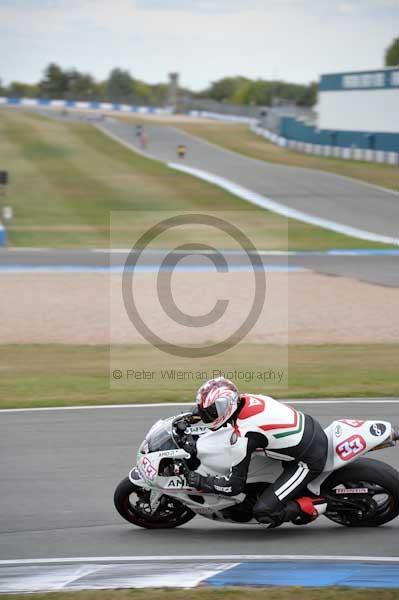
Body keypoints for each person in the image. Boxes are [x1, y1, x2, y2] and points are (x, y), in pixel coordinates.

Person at [187, 377, 328, 528]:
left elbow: (234, 486)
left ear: (227, 406)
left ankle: (320, 503)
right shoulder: (245, 399)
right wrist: (193, 416)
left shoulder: (246, 435)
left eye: (212, 411)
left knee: (265, 512)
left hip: (308, 459)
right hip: (307, 428)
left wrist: (202, 482)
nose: (208, 415)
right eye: (205, 410)